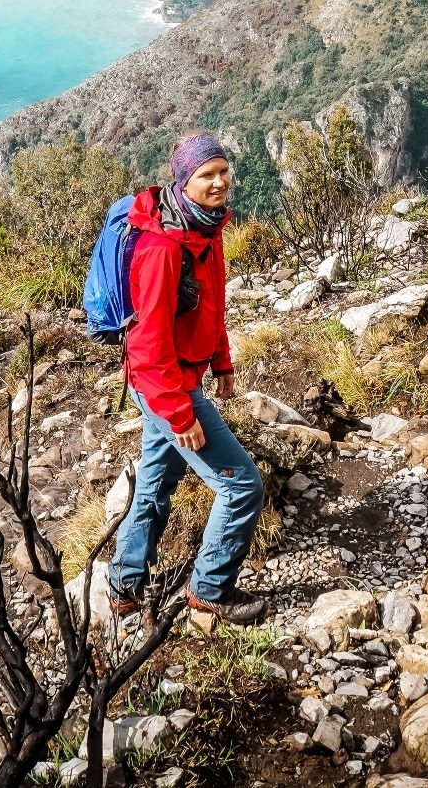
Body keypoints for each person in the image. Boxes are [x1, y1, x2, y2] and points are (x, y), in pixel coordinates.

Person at [107, 133, 269, 625]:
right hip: (164, 384)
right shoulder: (162, 247)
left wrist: (222, 362)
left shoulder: (205, 228)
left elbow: (211, 303)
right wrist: (179, 413)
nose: (219, 182)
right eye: (206, 175)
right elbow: (147, 343)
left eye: (223, 170)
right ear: (184, 181)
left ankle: (124, 585)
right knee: (242, 486)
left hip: (177, 378)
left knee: (157, 481)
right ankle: (210, 588)